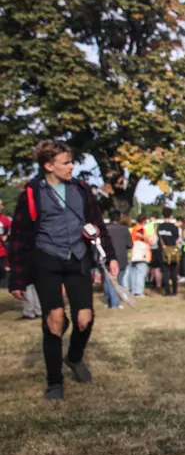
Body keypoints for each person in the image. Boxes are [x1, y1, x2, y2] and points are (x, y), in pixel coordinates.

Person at [6, 140, 118, 400]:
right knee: (54, 322)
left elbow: (97, 223)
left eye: (71, 161)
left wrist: (110, 255)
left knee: (84, 319)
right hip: (47, 259)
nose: (72, 166)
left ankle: (75, 357)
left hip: (78, 258)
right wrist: (17, 278)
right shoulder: (32, 194)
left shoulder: (80, 189)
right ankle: (54, 382)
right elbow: (19, 236)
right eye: (66, 162)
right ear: (48, 165)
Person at [104, 210, 132, 309]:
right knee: (118, 281)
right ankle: (115, 302)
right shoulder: (124, 229)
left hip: (108, 258)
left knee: (110, 281)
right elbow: (130, 244)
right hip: (122, 258)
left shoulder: (105, 229)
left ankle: (112, 301)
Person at [156, 207, 181, 297]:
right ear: (171, 216)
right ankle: (174, 291)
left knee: (165, 272)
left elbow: (158, 239)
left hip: (163, 251)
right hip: (173, 251)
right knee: (174, 271)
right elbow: (177, 240)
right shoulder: (174, 227)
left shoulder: (159, 227)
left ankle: (167, 291)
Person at [129, 215, 154, 297]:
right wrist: (148, 238)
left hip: (134, 252)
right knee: (141, 272)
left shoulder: (133, 228)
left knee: (134, 273)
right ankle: (139, 292)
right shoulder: (141, 229)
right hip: (141, 253)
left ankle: (133, 290)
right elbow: (143, 237)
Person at [0, 197, 11, 289]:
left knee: (2, 271)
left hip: (1, 251)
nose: (1, 206)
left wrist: (6, 236)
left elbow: (12, 229)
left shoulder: (4, 219)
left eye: (1, 205)